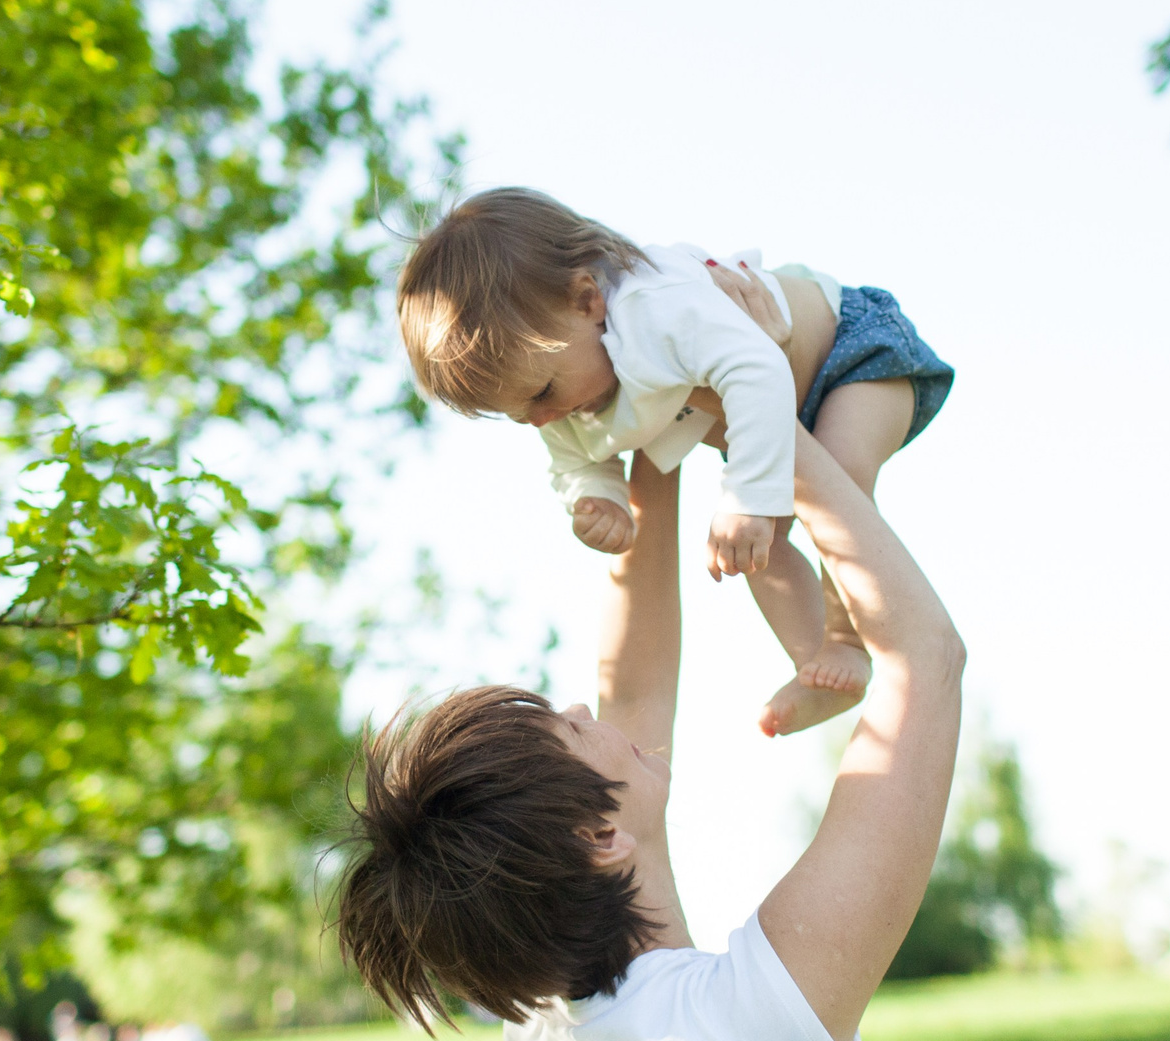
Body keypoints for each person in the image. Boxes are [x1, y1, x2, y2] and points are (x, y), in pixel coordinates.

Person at [335, 404, 965, 1041]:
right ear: (599, 837)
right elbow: (925, 662)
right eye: (570, 724)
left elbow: (630, 687)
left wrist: (651, 428)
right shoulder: (759, 1025)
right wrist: (758, 420)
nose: (592, 703)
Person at [394, 186, 953, 736]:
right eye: (519, 416)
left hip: (851, 354)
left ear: (588, 300)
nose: (542, 420)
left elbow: (755, 368)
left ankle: (850, 641)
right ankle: (820, 666)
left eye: (540, 394)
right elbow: (577, 462)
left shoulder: (656, 309)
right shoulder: (562, 389)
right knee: (759, 548)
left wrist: (746, 497)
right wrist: (599, 500)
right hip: (769, 420)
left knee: (840, 478)